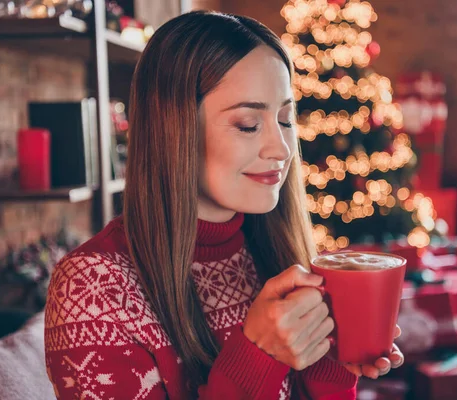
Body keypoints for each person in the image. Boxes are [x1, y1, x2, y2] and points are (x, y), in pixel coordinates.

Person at [44, 10, 404, 400]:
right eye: (248, 124)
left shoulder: (276, 253)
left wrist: (328, 362)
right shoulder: (93, 289)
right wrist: (257, 359)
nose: (282, 150)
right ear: (173, 129)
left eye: (285, 120)